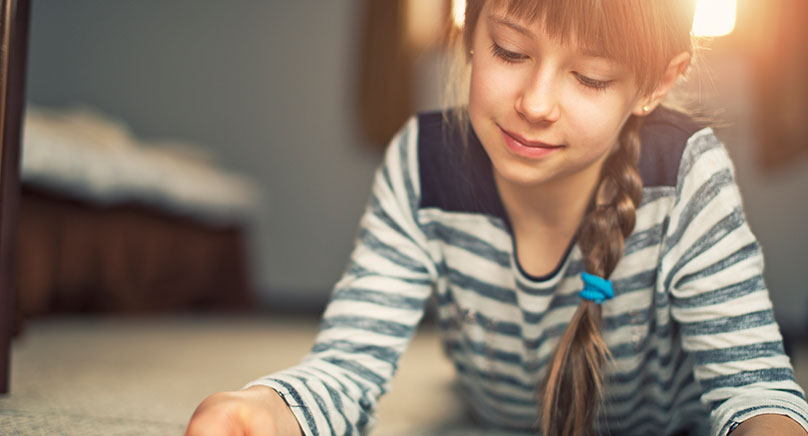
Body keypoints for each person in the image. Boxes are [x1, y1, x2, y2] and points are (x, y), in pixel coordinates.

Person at [185, 1, 808, 435]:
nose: (535, 105)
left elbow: (751, 387)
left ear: (655, 83)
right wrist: (266, 408)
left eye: (590, 78)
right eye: (510, 51)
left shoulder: (687, 173)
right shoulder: (424, 165)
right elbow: (348, 365)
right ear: (469, 31)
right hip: (493, 408)